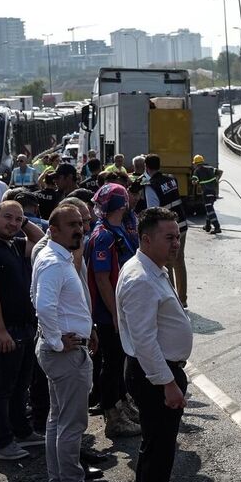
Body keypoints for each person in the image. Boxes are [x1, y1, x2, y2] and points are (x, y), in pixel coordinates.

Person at [117, 207, 193, 482]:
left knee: (156, 452)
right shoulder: (140, 279)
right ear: (145, 239)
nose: (176, 242)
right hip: (154, 375)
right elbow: (144, 340)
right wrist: (168, 383)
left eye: (177, 236)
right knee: (158, 455)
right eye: (169, 237)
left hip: (159, 371)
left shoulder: (153, 269)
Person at [32, 204, 107, 482]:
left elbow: (36, 297)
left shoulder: (54, 258)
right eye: (72, 225)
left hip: (62, 348)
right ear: (53, 230)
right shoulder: (54, 262)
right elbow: (42, 305)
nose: (79, 229)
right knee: (72, 423)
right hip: (64, 354)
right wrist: (56, 340)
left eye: (81, 223)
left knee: (58, 420)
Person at [0, 200, 42, 462]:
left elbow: (42, 240)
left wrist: (24, 223)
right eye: (8, 218)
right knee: (1, 389)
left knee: (20, 387)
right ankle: (3, 443)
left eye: (18, 219)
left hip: (23, 329)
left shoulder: (13, 244)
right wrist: (0, 332)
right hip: (0, 332)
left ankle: (22, 431)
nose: (13, 223)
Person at [87, 184, 140, 439]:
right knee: (113, 362)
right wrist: (116, 313)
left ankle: (121, 403)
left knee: (120, 361)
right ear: (121, 205)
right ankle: (113, 416)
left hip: (122, 309)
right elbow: (101, 278)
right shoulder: (104, 235)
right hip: (111, 314)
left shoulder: (119, 229)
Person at [142, 155, 186, 306]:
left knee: (167, 263)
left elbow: (153, 211)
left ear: (146, 167)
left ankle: (172, 300)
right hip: (181, 224)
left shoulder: (150, 185)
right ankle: (183, 299)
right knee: (180, 260)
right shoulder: (171, 179)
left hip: (166, 230)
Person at [189, 156, 222, 235]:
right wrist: (216, 180)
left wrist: (196, 182)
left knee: (210, 209)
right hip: (213, 192)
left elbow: (194, 181)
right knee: (209, 209)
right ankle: (207, 226)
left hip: (206, 192)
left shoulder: (197, 171)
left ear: (196, 164)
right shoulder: (211, 168)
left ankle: (217, 227)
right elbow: (220, 172)